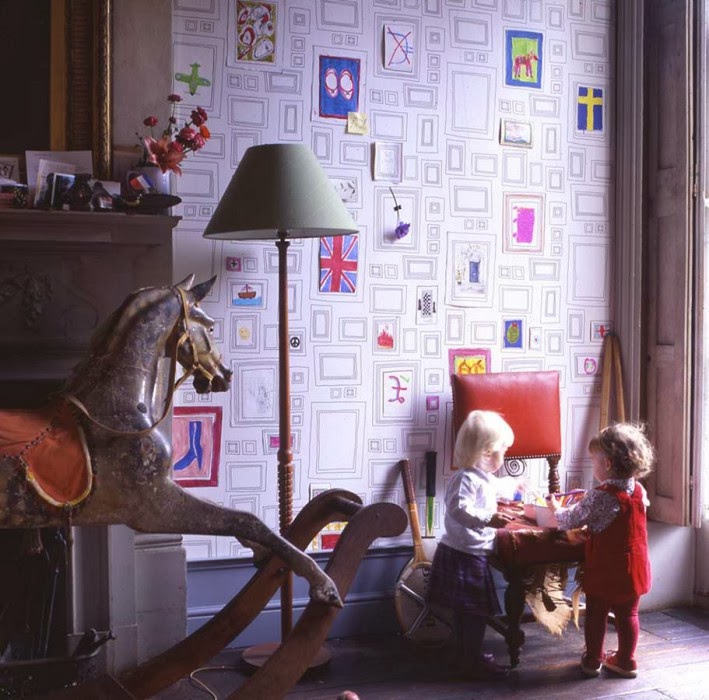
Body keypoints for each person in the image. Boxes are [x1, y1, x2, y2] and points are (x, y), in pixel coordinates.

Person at [548, 422, 655, 679]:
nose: (592, 466)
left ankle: (592, 660)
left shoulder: (601, 495)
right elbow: (620, 518)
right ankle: (626, 661)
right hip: (635, 568)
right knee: (628, 614)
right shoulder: (639, 489)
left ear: (606, 464)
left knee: (597, 613)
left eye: (593, 461)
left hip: (607, 569)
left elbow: (569, 520)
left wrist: (555, 508)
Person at [427, 409, 522, 680]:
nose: (505, 456)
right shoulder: (465, 479)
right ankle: (470, 660)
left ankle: (464, 654)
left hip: (469, 553)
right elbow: (459, 509)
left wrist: (516, 485)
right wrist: (488, 518)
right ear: (487, 452)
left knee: (467, 612)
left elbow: (496, 486)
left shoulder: (482, 477)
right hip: (464, 554)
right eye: (503, 451)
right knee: (474, 613)